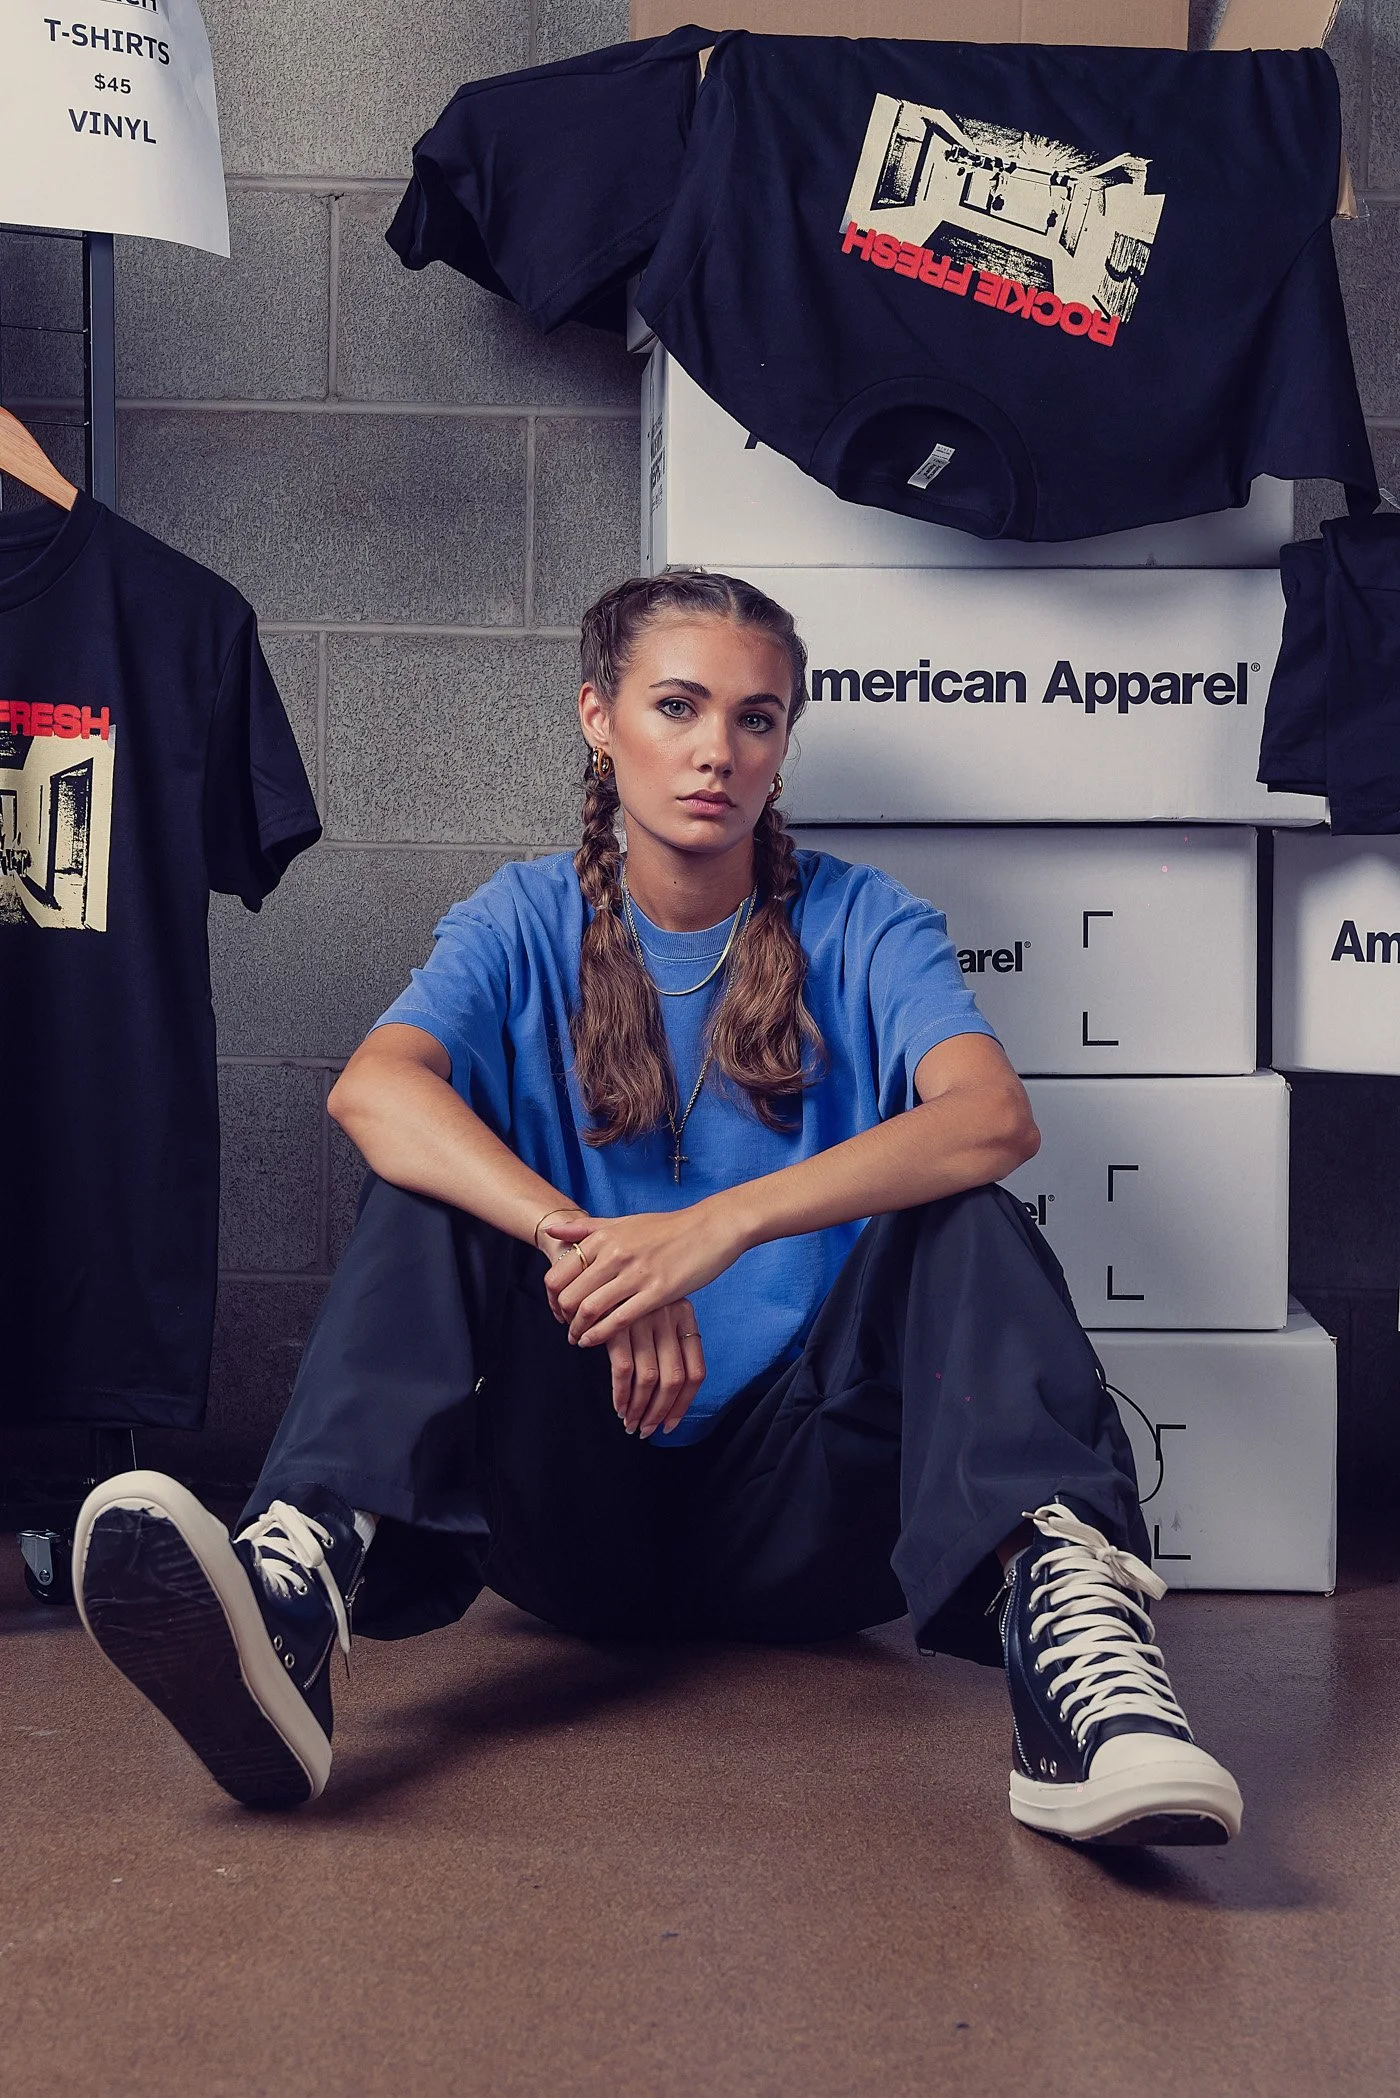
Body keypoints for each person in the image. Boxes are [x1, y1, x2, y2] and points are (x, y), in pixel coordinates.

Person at [73, 570, 1243, 1847]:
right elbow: (372, 1091)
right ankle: (295, 1592)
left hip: (814, 1521)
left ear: (783, 743)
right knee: (429, 1187)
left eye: (755, 719)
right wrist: (587, 1250)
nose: (715, 752)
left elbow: (989, 1117)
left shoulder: (863, 921)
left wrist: (717, 1226)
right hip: (572, 1509)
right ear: (596, 714)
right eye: (677, 706)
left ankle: (1076, 1667)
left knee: (967, 1212)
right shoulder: (520, 918)